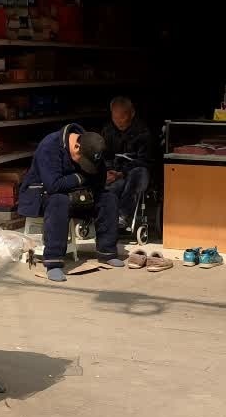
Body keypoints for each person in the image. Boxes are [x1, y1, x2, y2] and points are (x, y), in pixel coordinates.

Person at [18, 122, 122, 282]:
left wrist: (88, 180)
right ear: (76, 147)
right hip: (43, 195)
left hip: (78, 194)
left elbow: (99, 180)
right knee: (59, 200)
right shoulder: (49, 146)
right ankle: (53, 262)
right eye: (83, 161)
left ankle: (107, 252)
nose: (85, 166)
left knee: (108, 198)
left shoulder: (92, 145)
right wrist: (81, 177)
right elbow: (53, 185)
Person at [101, 96, 153, 231]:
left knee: (138, 174)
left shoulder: (143, 132)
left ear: (132, 113)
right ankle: (104, 215)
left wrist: (122, 172)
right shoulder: (108, 131)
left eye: (122, 117)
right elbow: (104, 156)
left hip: (134, 171)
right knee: (113, 186)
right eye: (115, 117)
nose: (119, 121)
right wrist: (108, 171)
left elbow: (145, 160)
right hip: (115, 172)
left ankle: (122, 215)